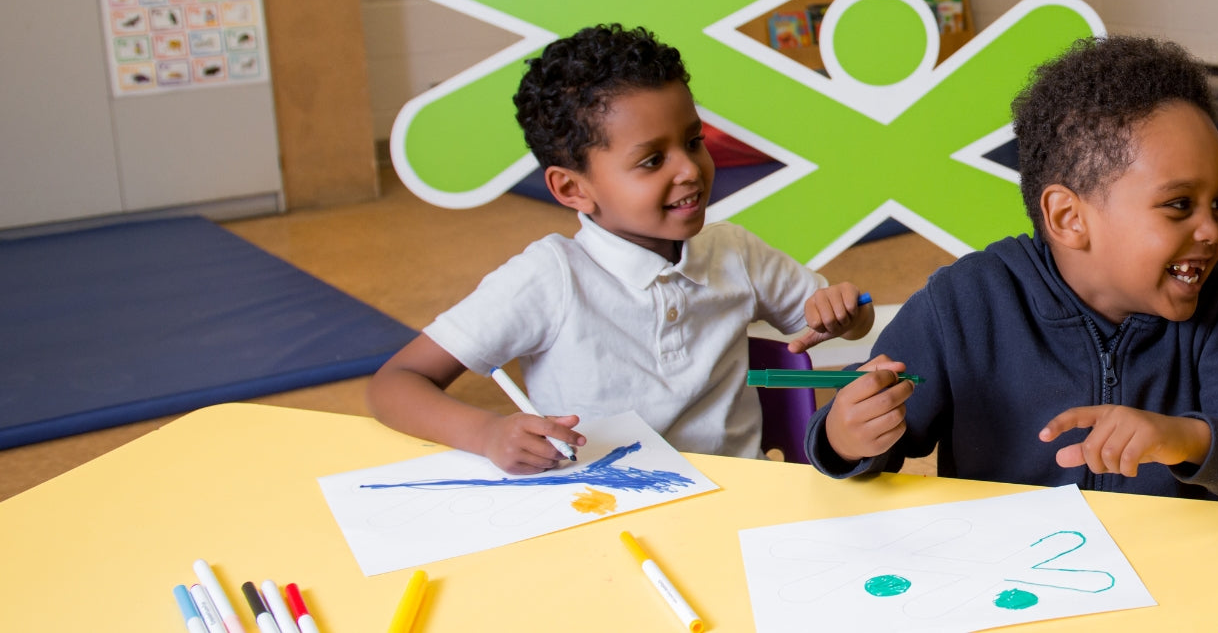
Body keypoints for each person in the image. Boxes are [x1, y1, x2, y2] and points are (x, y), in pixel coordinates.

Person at [805, 36, 1218, 511]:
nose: (1213, 231)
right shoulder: (964, 302)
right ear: (1068, 218)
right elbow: (860, 443)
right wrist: (844, 435)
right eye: (1180, 204)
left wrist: (1187, 439)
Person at [368, 24, 872, 473]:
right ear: (572, 189)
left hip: (736, 504)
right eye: (652, 160)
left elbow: (848, 322)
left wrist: (845, 312)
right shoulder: (549, 278)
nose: (690, 170)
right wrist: (487, 434)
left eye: (693, 141)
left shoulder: (734, 251)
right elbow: (395, 384)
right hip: (604, 513)